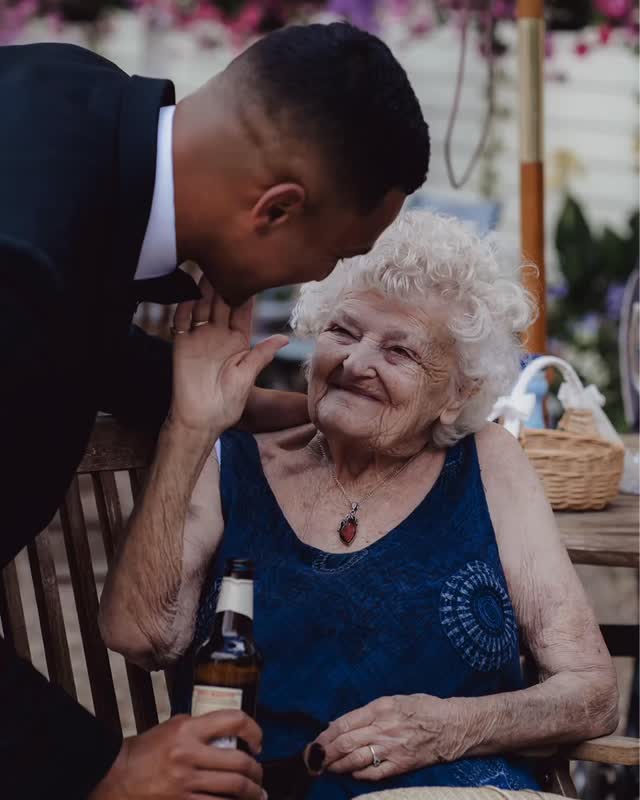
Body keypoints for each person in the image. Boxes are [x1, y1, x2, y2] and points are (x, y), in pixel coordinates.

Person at [0, 22, 430, 800]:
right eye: (332, 255)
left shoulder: (70, 102)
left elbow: (71, 332)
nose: (319, 275)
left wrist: (255, 406)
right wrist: (102, 765)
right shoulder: (23, 266)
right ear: (275, 210)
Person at [101, 211, 619, 798]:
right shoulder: (232, 461)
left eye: (399, 352)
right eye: (343, 332)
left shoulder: (488, 463)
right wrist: (189, 426)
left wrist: (451, 727)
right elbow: (141, 636)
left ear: (458, 394)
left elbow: (590, 690)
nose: (355, 362)